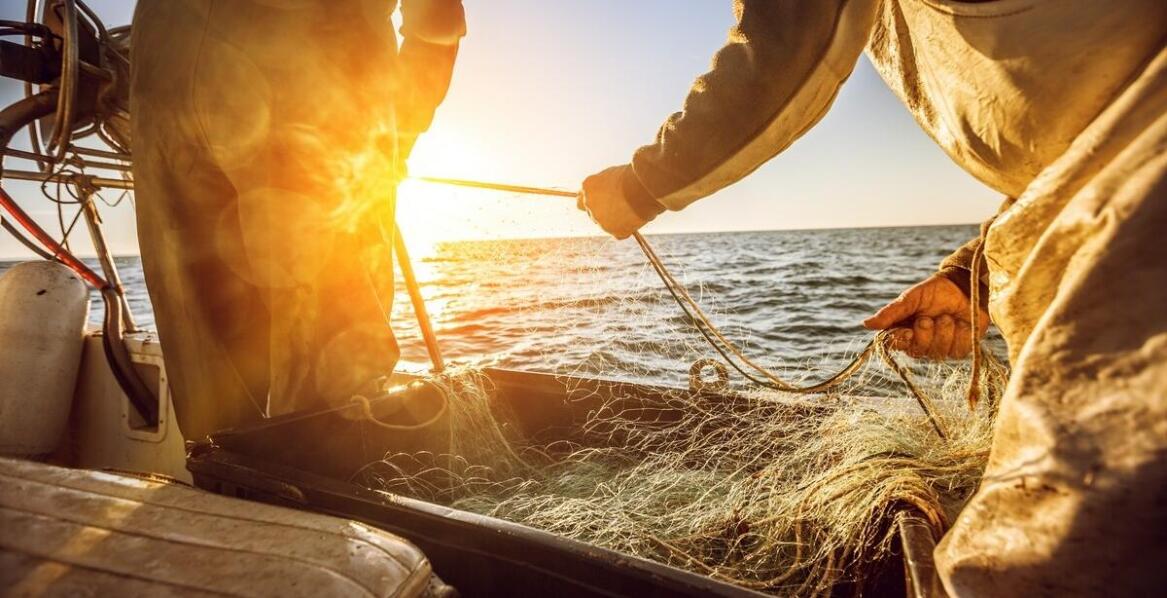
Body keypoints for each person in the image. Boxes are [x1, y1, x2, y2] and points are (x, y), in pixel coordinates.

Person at [576, 1, 1166, 595]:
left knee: (1044, 564)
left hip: (1149, 183)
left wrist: (643, 183)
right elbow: (1078, 148)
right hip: (1116, 178)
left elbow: (787, 38)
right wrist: (970, 278)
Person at [131, 0, 465, 440]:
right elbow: (436, 19)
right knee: (332, 373)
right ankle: (316, 491)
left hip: (163, 60)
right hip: (314, 63)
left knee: (205, 358)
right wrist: (399, 124)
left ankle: (228, 491)